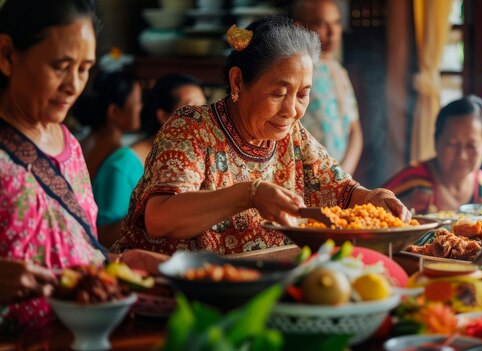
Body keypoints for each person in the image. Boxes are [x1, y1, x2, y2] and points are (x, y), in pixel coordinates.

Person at [111, 15, 410, 256]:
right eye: (279, 93)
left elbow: (342, 192)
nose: (292, 110)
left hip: (251, 292)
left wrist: (373, 197)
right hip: (170, 295)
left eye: (303, 94)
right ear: (238, 82)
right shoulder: (191, 128)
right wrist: (249, 194)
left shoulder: (292, 136)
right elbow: (160, 218)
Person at [0, 0, 165, 330]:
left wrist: (116, 262)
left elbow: (73, 244)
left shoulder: (70, 145)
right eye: (61, 66)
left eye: (84, 68)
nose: (74, 85)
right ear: (7, 55)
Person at [93, 74, 207, 247]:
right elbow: (105, 237)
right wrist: (159, 211)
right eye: (191, 109)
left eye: (204, 108)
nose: (202, 118)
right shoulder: (122, 166)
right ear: (163, 116)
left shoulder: (196, 161)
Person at [384, 96, 482, 213]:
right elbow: (368, 214)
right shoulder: (412, 183)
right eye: (452, 144)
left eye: (471, 146)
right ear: (436, 142)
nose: (462, 155)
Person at [292, 0, 363, 175]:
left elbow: (355, 129)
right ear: (299, 27)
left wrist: (343, 172)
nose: (332, 32)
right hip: (305, 173)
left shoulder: (339, 71)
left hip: (340, 175)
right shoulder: (294, 70)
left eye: (337, 23)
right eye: (321, 23)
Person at [73, 70, 142, 246]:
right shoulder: (120, 160)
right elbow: (105, 235)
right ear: (114, 111)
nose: (141, 107)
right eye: (137, 102)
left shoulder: (78, 142)